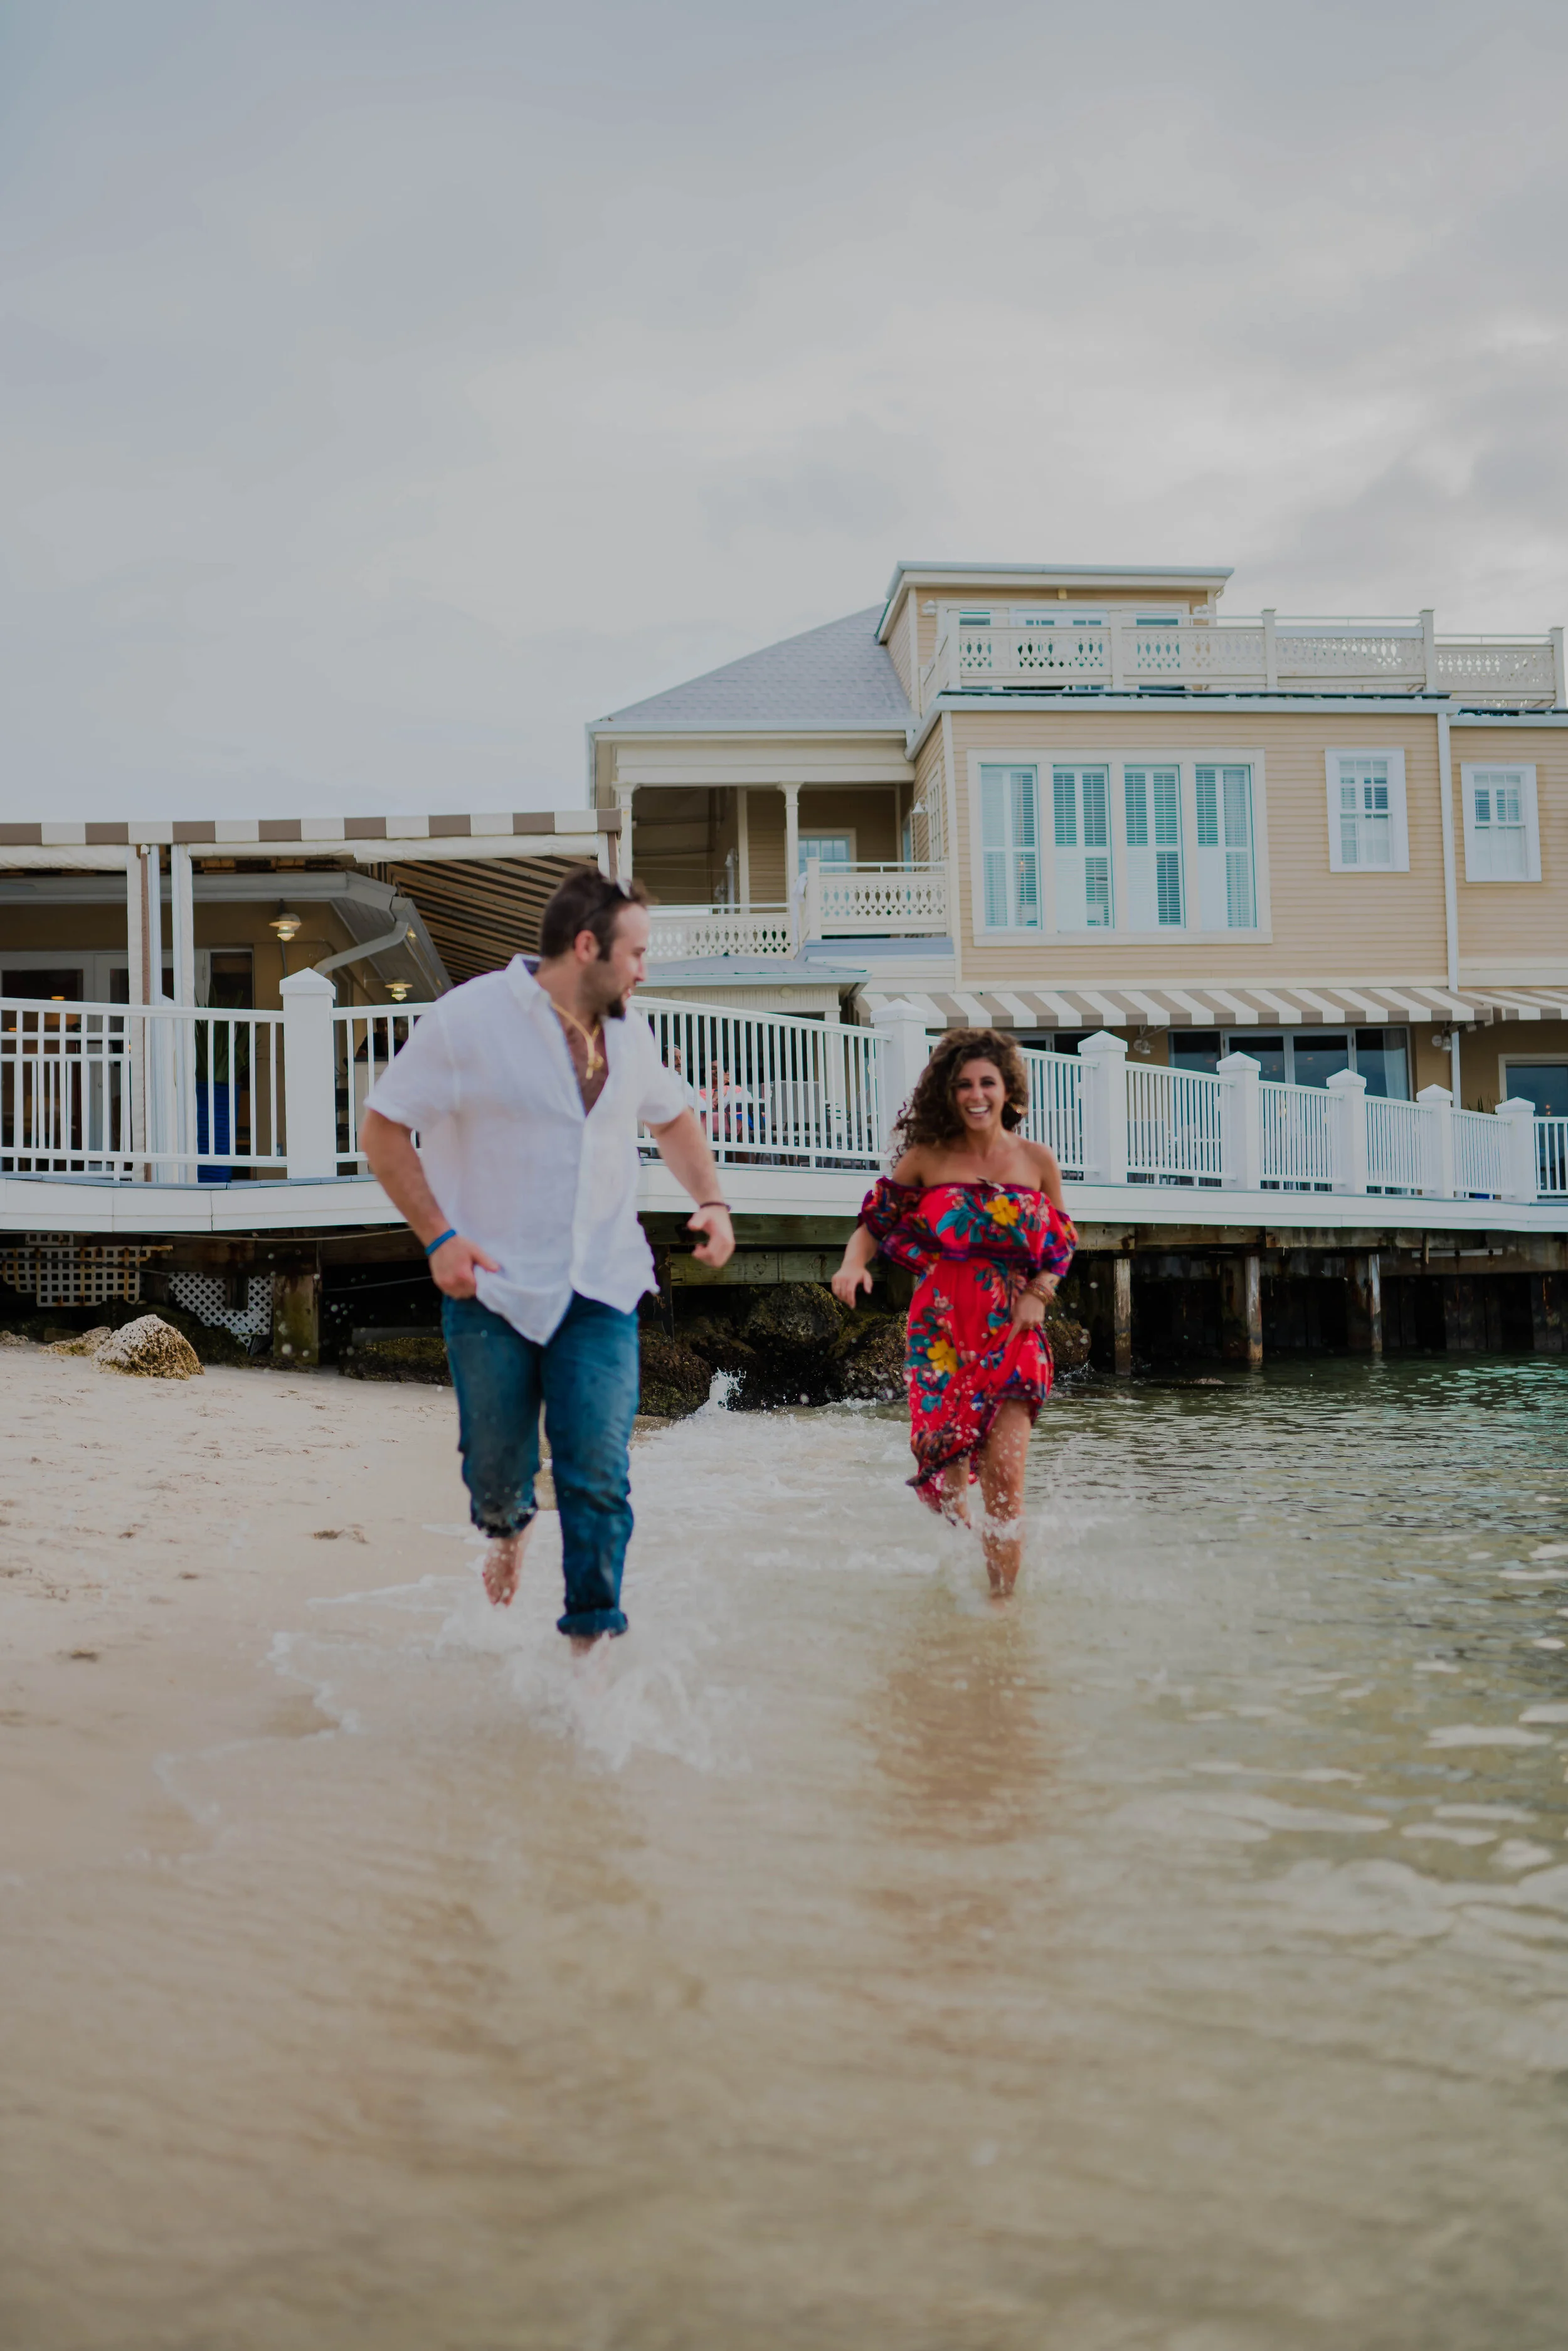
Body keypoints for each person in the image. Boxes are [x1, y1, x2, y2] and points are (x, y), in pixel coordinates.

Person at [360, 869, 734, 1648]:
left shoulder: (631, 1031)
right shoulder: (470, 1020)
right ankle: (506, 1526)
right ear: (587, 945)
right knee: (496, 1471)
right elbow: (385, 1128)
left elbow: (672, 1118)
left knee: (597, 1477)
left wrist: (712, 1200)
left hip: (602, 1284)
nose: (645, 969)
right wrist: (437, 1235)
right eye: (636, 952)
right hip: (489, 1285)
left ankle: (587, 1654)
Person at [830, 1029, 1076, 1595]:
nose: (976, 1094)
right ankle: (964, 1567)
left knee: (1007, 1480)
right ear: (948, 1092)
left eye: (987, 1082)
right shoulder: (927, 1159)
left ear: (1007, 1090)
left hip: (1014, 1328)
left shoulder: (1037, 1161)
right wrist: (852, 1265)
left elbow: (1061, 1245)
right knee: (947, 1481)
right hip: (940, 1332)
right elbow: (876, 1222)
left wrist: (1040, 1293)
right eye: (963, 1084)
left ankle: (1001, 1612)